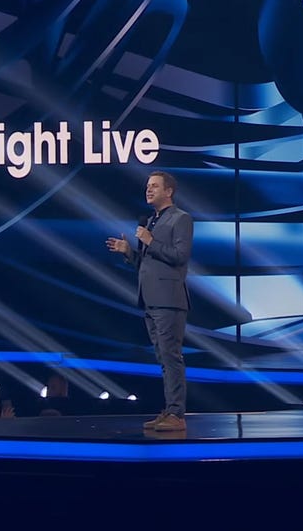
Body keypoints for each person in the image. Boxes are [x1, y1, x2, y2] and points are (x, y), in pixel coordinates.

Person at [106, 170, 194, 432]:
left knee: (171, 357)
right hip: (150, 299)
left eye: (155, 186)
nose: (149, 190)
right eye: (147, 186)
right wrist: (129, 253)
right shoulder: (152, 221)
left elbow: (179, 255)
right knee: (162, 357)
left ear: (169, 191)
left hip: (169, 299)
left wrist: (149, 241)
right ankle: (169, 410)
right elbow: (149, 264)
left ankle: (177, 414)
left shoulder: (182, 219)